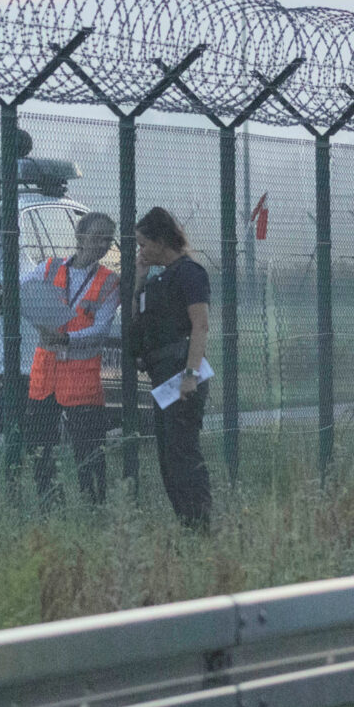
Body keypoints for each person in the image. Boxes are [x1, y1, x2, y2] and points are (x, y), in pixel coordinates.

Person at [26, 211, 121, 507]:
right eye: (97, 237)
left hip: (81, 378)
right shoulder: (49, 268)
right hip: (46, 374)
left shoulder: (109, 282)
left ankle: (94, 504)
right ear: (79, 238)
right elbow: (22, 292)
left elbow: (101, 329)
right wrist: (40, 323)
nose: (103, 244)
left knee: (89, 449)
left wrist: (67, 339)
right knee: (40, 446)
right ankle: (49, 502)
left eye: (108, 239)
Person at [130, 206, 213, 529]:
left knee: (183, 452)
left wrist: (190, 375)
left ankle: (200, 523)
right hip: (162, 373)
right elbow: (138, 318)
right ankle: (186, 524)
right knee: (167, 455)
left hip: (182, 371)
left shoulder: (190, 273)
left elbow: (200, 326)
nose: (141, 251)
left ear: (162, 240)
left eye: (143, 244)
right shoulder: (157, 279)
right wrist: (139, 278)